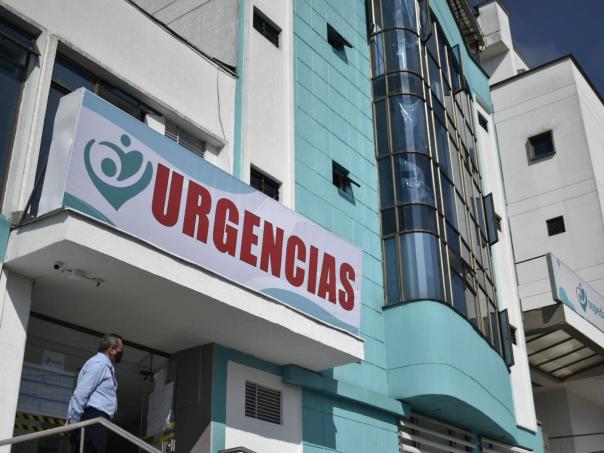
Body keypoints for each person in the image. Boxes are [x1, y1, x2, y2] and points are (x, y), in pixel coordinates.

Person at [66, 333, 124, 453]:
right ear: (111, 350)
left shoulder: (103, 365)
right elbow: (81, 393)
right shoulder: (100, 364)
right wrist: (74, 422)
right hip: (93, 419)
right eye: (120, 350)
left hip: (97, 421)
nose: (121, 353)